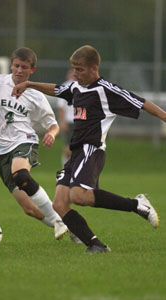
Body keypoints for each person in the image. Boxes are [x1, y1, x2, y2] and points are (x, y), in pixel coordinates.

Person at [11, 45, 166, 254]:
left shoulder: (106, 90)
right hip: (76, 152)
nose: (75, 73)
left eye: (80, 69)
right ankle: (96, 245)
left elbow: (141, 102)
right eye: (74, 69)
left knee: (79, 195)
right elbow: (56, 89)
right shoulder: (75, 87)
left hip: (92, 149)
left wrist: (164, 117)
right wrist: (29, 84)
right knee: (60, 203)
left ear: (94, 69)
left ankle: (137, 204)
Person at [0, 47, 68, 240]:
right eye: (17, 66)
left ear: (32, 70)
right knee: (29, 209)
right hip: (1, 150)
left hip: (24, 140)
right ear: (11, 65)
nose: (19, 70)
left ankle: (58, 219)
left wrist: (52, 134)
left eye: (24, 67)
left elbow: (52, 124)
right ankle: (64, 224)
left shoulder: (36, 95)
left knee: (20, 173)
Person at [57, 69, 75, 165]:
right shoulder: (65, 86)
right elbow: (61, 107)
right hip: (69, 121)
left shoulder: (84, 86)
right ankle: (66, 167)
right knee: (68, 148)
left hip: (80, 121)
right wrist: (62, 121)